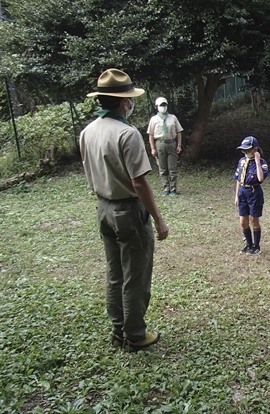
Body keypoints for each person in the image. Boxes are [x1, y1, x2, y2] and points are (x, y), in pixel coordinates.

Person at [80, 68, 169, 352]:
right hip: (129, 212)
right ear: (122, 102)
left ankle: (118, 330)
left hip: (104, 209)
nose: (131, 103)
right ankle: (135, 334)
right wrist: (158, 219)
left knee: (114, 273)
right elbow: (139, 183)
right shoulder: (127, 134)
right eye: (129, 99)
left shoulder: (87, 132)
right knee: (136, 276)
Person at [234, 136, 268, 255]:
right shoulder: (242, 161)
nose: (245, 152)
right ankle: (249, 244)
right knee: (243, 221)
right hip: (243, 191)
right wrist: (237, 195)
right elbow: (238, 179)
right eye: (244, 150)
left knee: (254, 220)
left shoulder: (262, 163)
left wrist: (258, 161)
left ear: (255, 149)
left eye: (248, 150)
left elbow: (260, 178)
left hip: (254, 193)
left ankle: (256, 246)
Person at [147, 97, 184, 196]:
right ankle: (166, 188)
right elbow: (150, 135)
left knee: (172, 167)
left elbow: (179, 132)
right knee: (162, 168)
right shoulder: (154, 119)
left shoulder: (173, 118)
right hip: (160, 143)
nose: (163, 107)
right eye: (161, 105)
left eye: (164, 105)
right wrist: (153, 148)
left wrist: (179, 145)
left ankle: (173, 189)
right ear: (157, 107)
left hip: (171, 143)